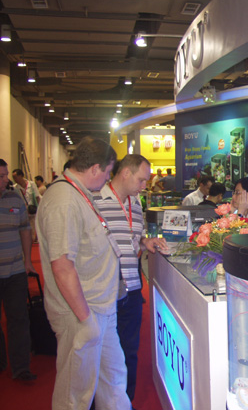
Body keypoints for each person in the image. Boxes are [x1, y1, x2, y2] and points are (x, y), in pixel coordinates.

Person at [36, 137, 131, 410]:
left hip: (100, 308)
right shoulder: (64, 200)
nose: (108, 178)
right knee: (75, 393)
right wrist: (85, 319)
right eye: (108, 172)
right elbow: (62, 266)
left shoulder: (79, 193)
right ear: (95, 168)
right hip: (82, 311)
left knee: (113, 379)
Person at [93, 154, 168, 403]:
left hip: (132, 288)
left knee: (129, 351)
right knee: (101, 354)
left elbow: (134, 239)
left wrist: (146, 242)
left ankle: (125, 402)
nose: (145, 185)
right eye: (141, 180)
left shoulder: (135, 203)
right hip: (104, 290)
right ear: (125, 173)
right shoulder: (95, 199)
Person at [0, 159, 37, 381]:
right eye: (2, 176)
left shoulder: (15, 197)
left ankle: (21, 367)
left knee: (18, 319)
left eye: (6, 175)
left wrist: (27, 261)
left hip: (14, 271)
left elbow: (24, 229)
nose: (6, 180)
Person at [12, 169, 41, 241]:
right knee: (23, 233)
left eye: (15, 177)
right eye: (13, 177)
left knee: (32, 232)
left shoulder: (31, 185)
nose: (14, 179)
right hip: (22, 213)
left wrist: (39, 210)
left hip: (32, 211)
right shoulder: (15, 188)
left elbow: (37, 197)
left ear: (21, 176)